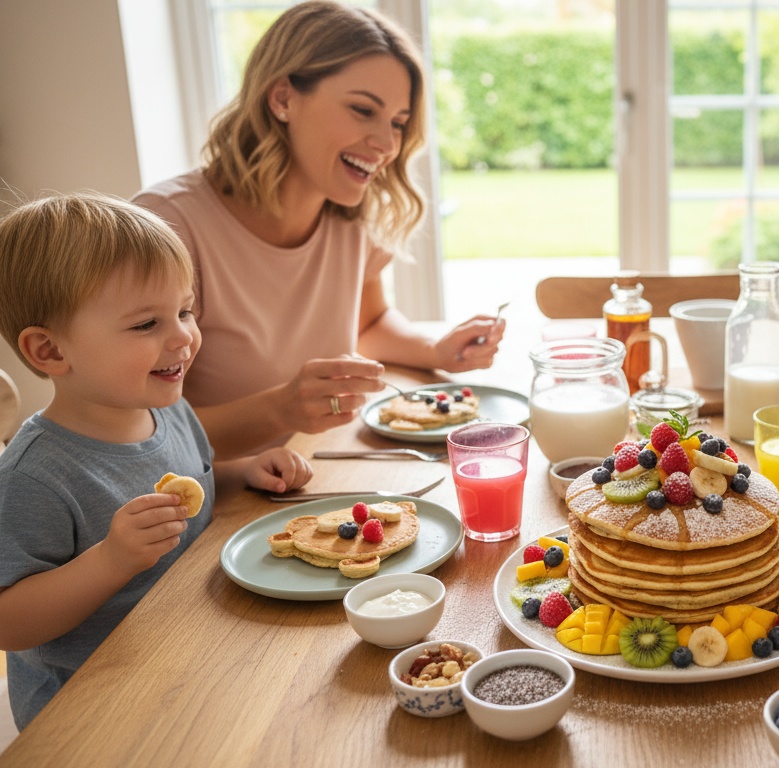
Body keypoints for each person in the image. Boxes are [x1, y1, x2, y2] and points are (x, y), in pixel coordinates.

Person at [134, 0, 505, 458]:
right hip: (207, 495)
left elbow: (369, 323)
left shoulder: (349, 216)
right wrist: (280, 411)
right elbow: (134, 428)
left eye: (397, 123)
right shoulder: (168, 226)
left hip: (318, 467)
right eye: (362, 110)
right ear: (283, 99)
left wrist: (435, 349)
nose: (387, 144)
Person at [0, 193, 313, 730]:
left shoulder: (168, 411)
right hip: (93, 713)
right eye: (146, 323)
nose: (184, 336)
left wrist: (243, 472)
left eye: (184, 311)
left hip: (188, 657)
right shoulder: (34, 476)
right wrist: (111, 560)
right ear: (50, 351)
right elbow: (9, 623)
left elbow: (195, 490)